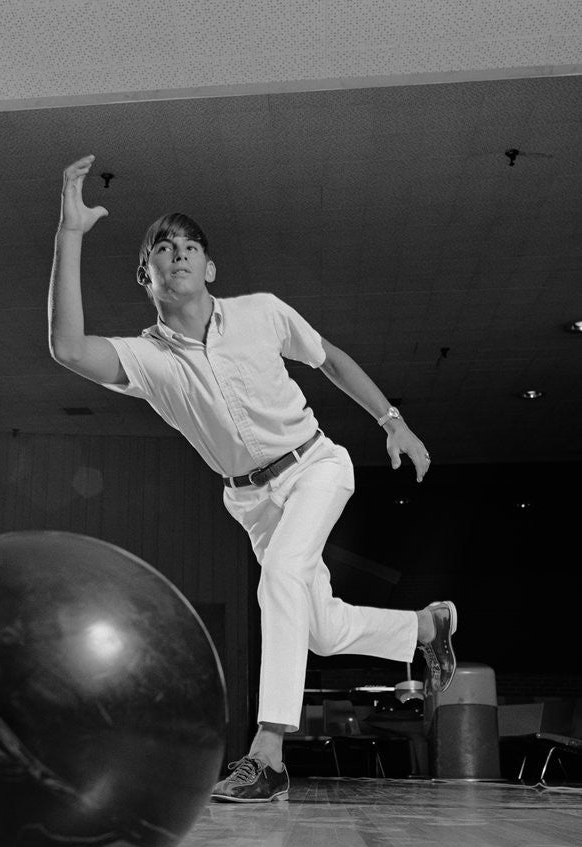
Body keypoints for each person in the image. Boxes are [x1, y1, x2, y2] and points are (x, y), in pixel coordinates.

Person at [48, 154, 457, 804]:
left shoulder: (262, 312)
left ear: (209, 268)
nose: (177, 254)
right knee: (317, 629)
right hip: (250, 500)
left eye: (189, 247)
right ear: (143, 273)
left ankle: (266, 753)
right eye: (162, 247)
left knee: (279, 580)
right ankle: (425, 628)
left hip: (316, 466)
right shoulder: (145, 359)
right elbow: (68, 349)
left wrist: (391, 421)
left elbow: (331, 362)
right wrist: (69, 235)